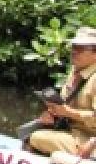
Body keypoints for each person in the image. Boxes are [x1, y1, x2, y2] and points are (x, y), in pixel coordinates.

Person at [26, 27, 96, 156]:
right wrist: (55, 113)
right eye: (73, 47)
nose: (74, 52)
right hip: (71, 131)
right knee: (29, 134)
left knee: (35, 138)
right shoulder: (75, 70)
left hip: (88, 140)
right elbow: (66, 105)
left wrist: (69, 113)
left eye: (80, 49)